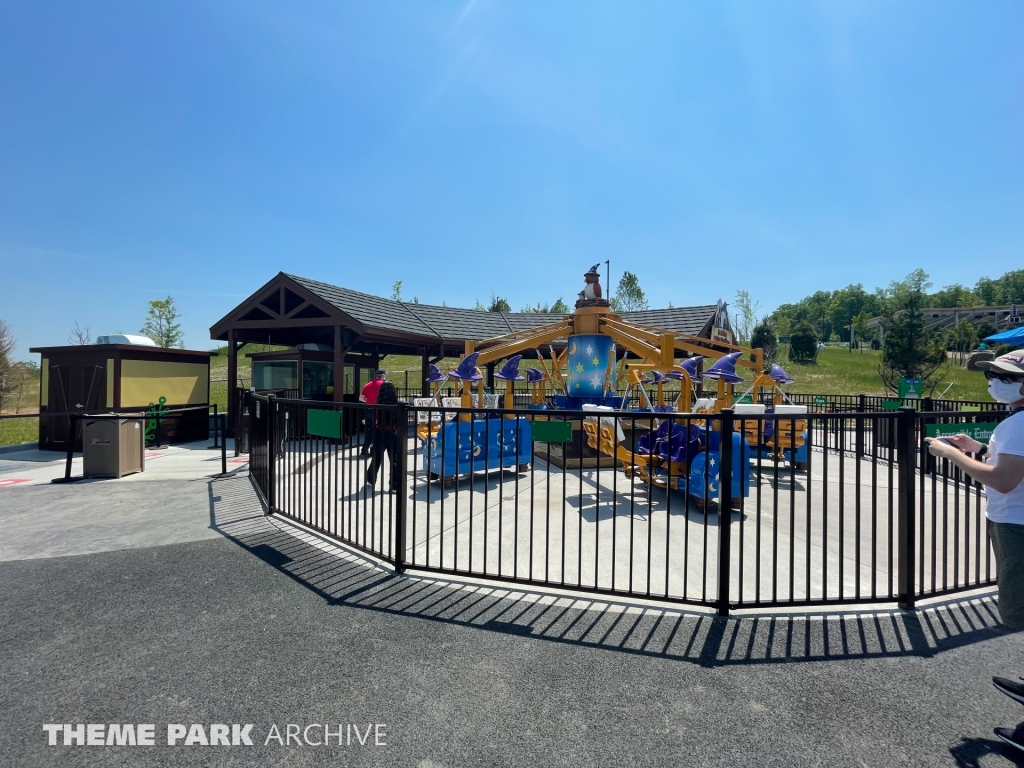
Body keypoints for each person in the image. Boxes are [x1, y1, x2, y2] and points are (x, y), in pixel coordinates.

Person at [924, 349, 1024, 752]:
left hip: (1016, 525)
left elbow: (1003, 481)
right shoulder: (1015, 423)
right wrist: (979, 450)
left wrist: (952, 454)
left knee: (1021, 607)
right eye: (994, 374)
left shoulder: (1018, 424)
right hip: (1015, 521)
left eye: (1004, 375)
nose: (994, 381)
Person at [365, 380, 401, 491]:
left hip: (380, 433)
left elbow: (375, 421)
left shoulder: (377, 406)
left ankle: (371, 479)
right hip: (394, 433)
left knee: (376, 457)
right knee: (394, 459)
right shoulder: (397, 405)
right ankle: (394, 485)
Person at [359, 369, 387, 457]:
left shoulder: (368, 384)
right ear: (383, 376)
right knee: (381, 431)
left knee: (371, 431)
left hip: (370, 410)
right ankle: (374, 450)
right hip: (381, 411)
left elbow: (361, 398)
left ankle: (365, 450)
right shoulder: (385, 385)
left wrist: (369, 401)